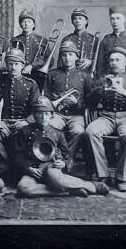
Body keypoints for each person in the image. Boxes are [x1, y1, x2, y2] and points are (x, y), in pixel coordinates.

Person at [13, 98, 112, 198]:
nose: (43, 117)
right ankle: (68, 192)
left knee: (57, 180)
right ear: (34, 115)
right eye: (39, 113)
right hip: (33, 168)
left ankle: (91, 186)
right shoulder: (24, 131)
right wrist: (28, 168)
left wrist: (64, 163)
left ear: (52, 115)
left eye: (47, 114)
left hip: (51, 166)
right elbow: (17, 155)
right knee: (22, 188)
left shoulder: (57, 133)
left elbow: (67, 155)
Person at [85, 47, 126, 192]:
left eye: (117, 60)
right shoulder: (102, 80)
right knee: (90, 131)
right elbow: (90, 103)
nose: (114, 63)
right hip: (106, 117)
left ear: (125, 62)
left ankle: (121, 177)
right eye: (111, 60)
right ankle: (103, 174)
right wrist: (101, 90)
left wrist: (124, 92)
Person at [44, 41, 91, 170]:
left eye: (70, 54)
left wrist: (78, 103)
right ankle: (51, 159)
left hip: (77, 115)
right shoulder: (53, 74)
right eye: (64, 55)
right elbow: (46, 97)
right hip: (58, 114)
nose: (67, 58)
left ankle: (66, 160)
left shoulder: (85, 76)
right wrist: (54, 101)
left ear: (76, 57)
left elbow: (90, 100)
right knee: (48, 128)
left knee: (78, 131)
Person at [0, 48, 40, 137]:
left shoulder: (31, 84)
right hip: (3, 122)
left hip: (23, 122)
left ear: (22, 65)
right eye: (10, 64)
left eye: (16, 64)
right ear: (6, 65)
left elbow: (37, 109)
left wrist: (26, 121)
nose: (13, 67)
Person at [94, 7, 126, 76]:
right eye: (112, 19)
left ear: (124, 19)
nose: (115, 21)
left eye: (118, 18)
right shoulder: (106, 40)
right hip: (109, 77)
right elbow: (100, 65)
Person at [12, 10, 52, 85]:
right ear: (20, 25)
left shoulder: (42, 40)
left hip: (37, 76)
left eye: (29, 21)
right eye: (23, 22)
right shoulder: (14, 40)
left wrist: (32, 66)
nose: (26, 24)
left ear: (33, 24)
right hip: (19, 75)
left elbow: (49, 60)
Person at [60, 8, 99, 74]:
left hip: (88, 74)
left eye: (80, 18)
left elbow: (100, 60)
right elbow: (60, 62)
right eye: (75, 18)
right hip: (70, 76)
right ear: (72, 22)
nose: (77, 21)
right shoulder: (66, 39)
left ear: (86, 21)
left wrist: (91, 62)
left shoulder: (94, 39)